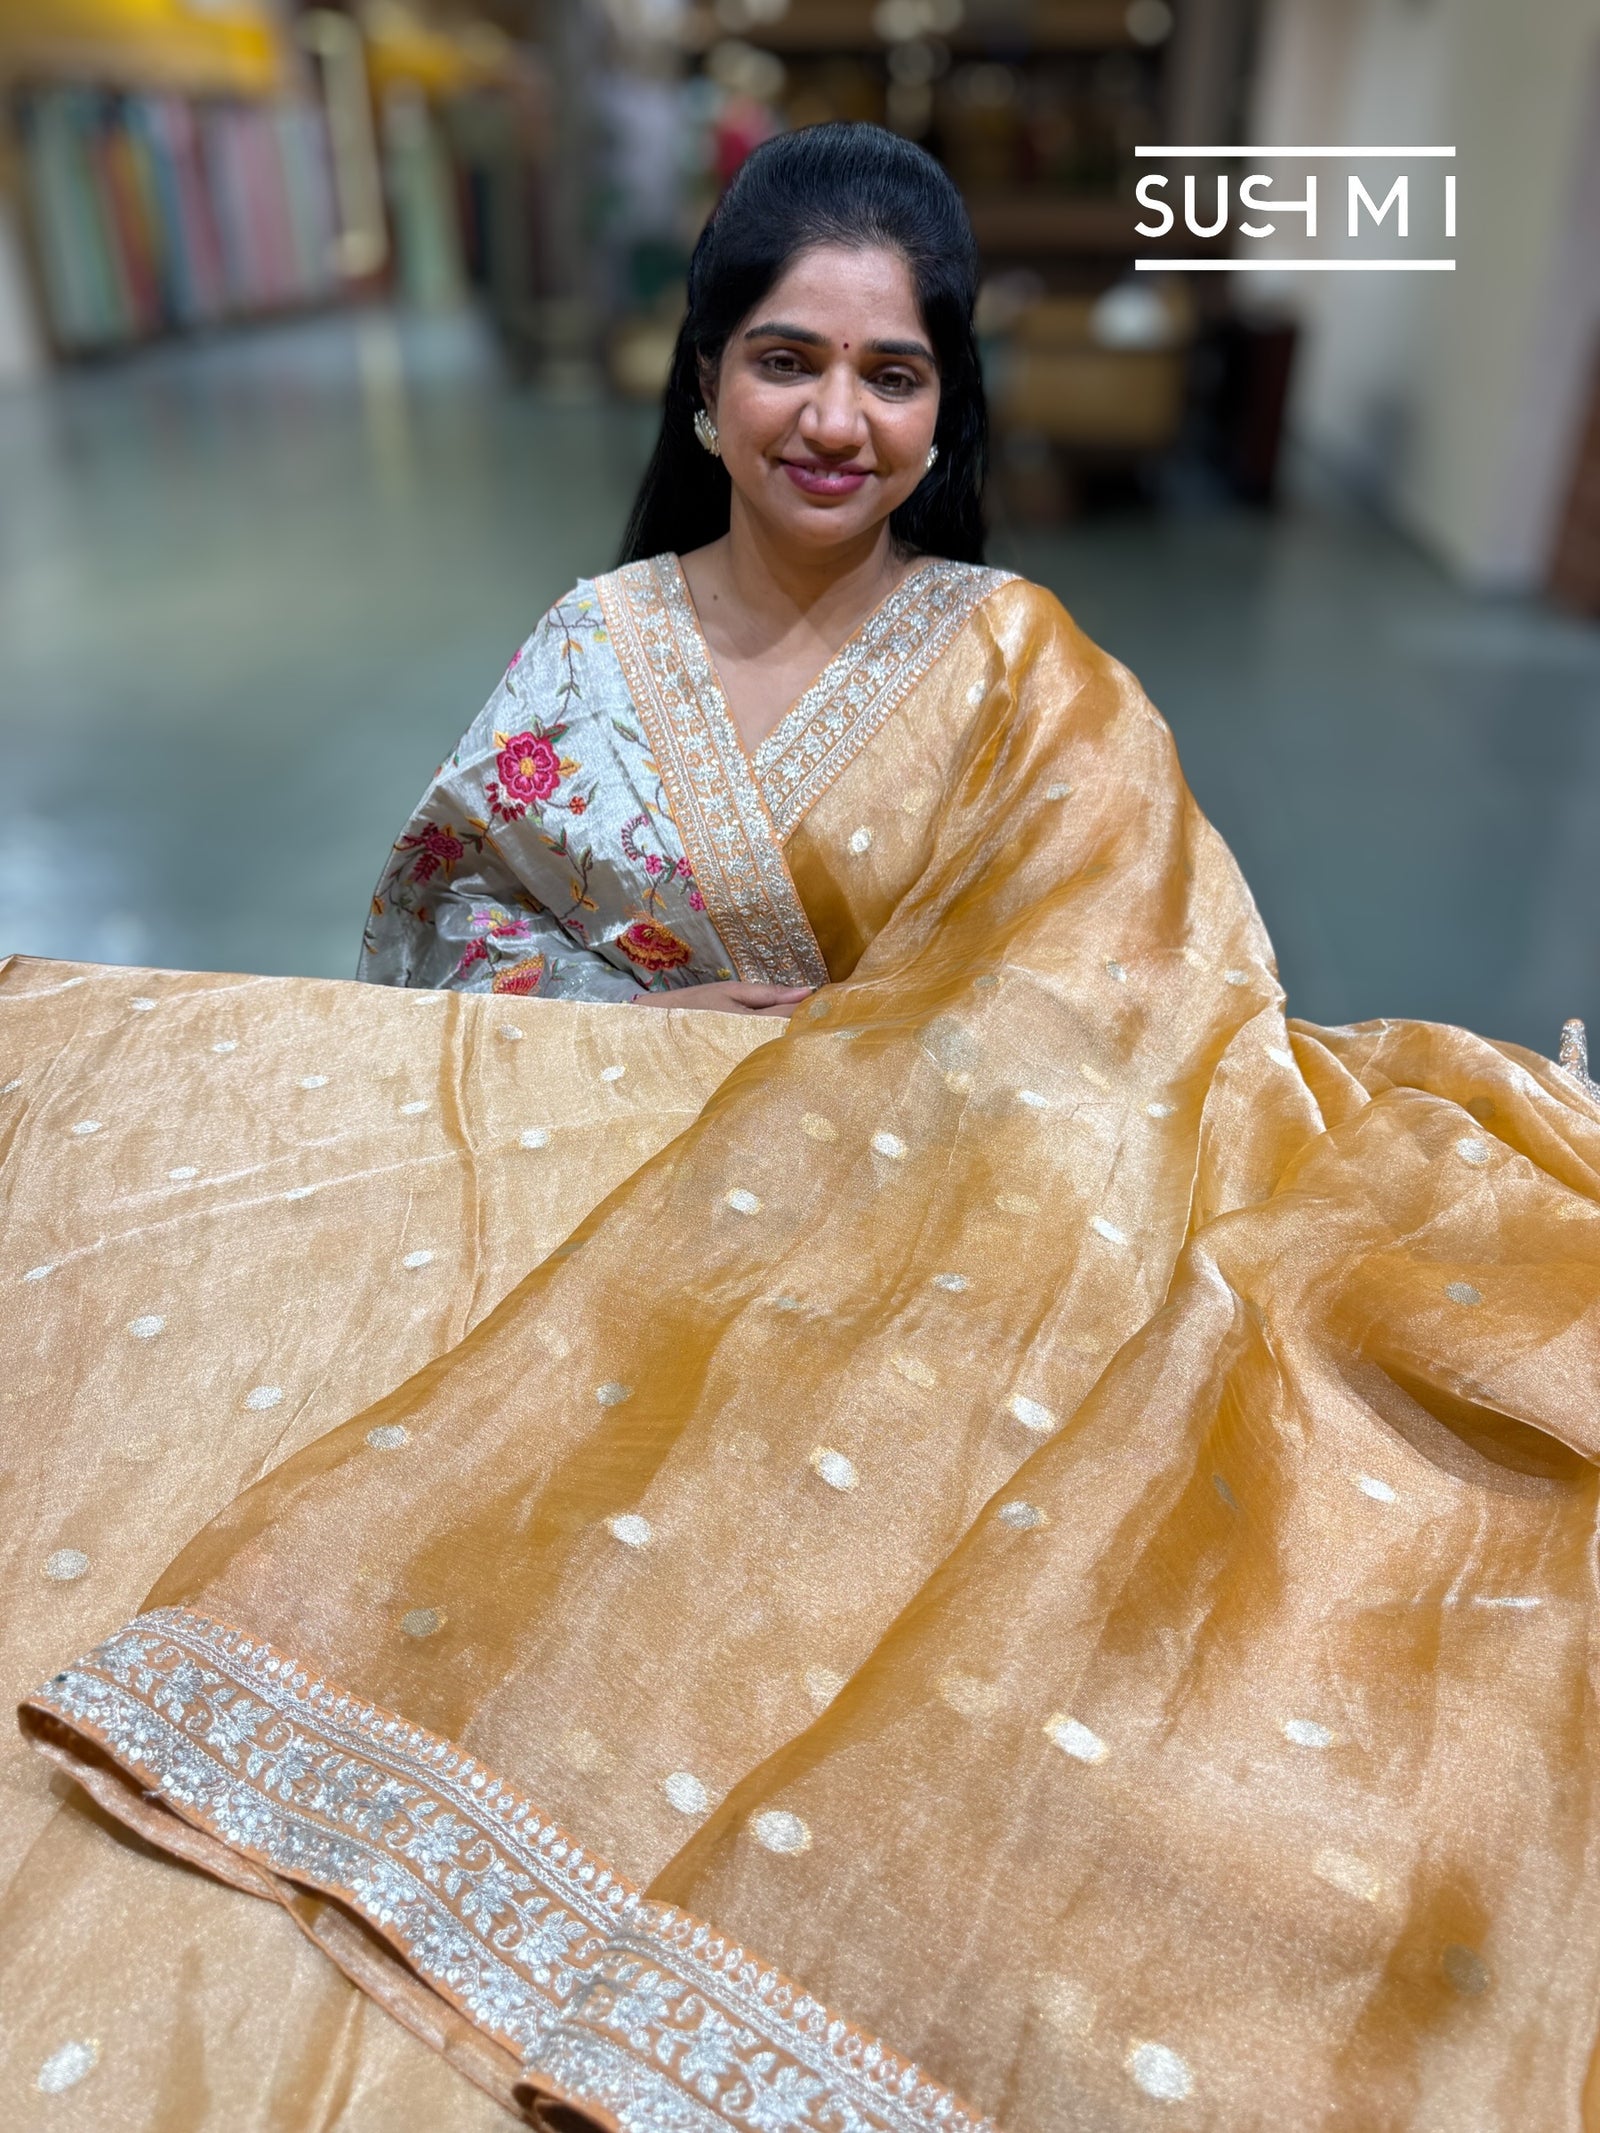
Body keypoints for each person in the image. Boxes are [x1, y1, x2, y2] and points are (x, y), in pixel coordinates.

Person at [17, 123, 1600, 2133]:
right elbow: (447, 913)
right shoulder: (594, 646)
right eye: (785, 358)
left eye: (889, 372)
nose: (834, 419)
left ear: (944, 409)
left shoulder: (1025, 671)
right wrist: (646, 1015)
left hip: (935, 1224)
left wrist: (871, 1057)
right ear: (703, 381)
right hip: (612, 1174)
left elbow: (1116, 997)